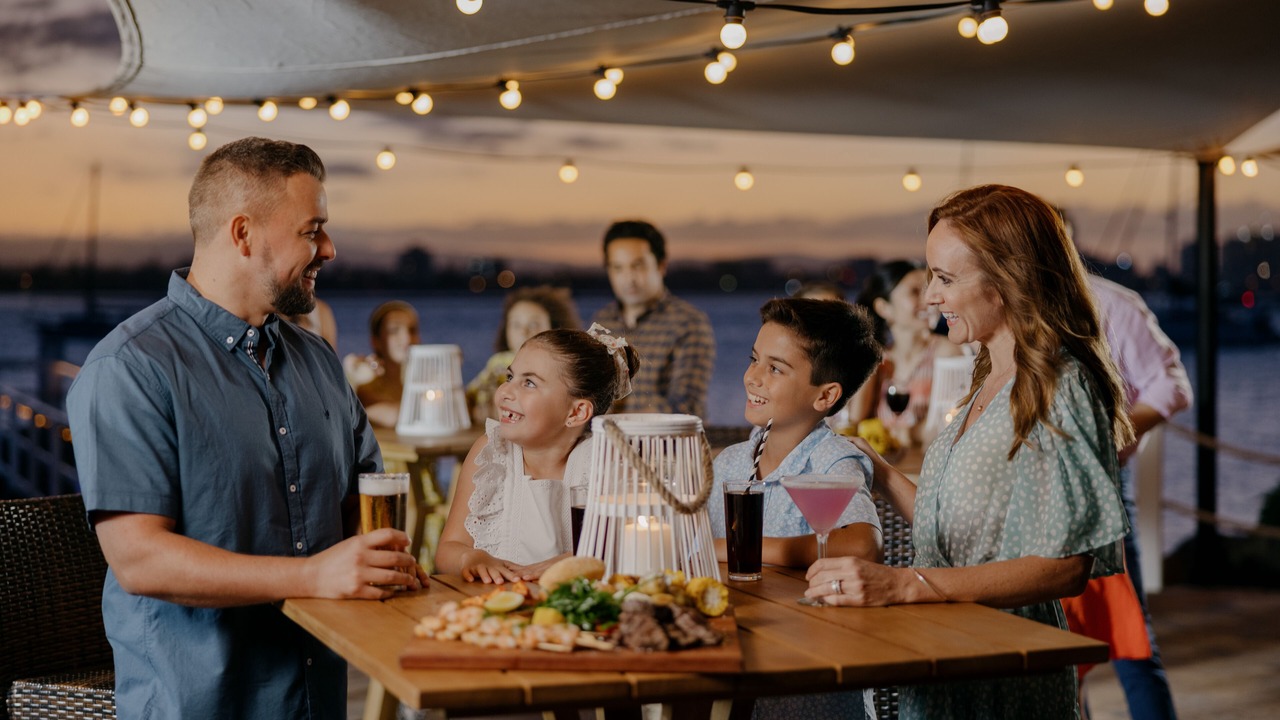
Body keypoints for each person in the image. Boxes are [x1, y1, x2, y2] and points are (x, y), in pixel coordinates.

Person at [65, 137, 426, 720]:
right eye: (313, 230)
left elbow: (365, 508)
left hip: (320, 701)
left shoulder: (318, 361)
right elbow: (140, 561)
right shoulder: (129, 369)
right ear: (243, 234)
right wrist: (312, 576)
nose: (329, 249)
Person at [806, 184, 1133, 719]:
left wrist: (905, 585)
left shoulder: (1059, 385)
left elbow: (1064, 567)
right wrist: (879, 470)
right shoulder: (987, 379)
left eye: (945, 278)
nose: (931, 297)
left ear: (1009, 280)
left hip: (1004, 666)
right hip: (943, 653)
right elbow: (952, 526)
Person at [706, 297, 882, 719]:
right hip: (736, 659)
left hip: (812, 683)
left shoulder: (833, 459)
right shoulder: (729, 461)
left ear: (826, 395)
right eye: (754, 359)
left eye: (776, 368)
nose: (753, 377)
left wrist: (745, 549)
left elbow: (861, 546)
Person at [1071, 273, 1192, 720]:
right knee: (1053, 645)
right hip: (1030, 487)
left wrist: (1112, 432)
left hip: (1101, 483)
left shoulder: (1113, 303)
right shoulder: (1014, 300)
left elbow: (1172, 384)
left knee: (1132, 640)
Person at [435, 324, 640, 583]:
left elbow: (637, 545)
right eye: (510, 378)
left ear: (576, 413)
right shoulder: (490, 453)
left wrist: (577, 559)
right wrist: (469, 559)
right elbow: (447, 549)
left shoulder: (605, 461)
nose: (505, 392)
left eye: (529, 383)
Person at [590, 220, 715, 417]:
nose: (628, 278)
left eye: (637, 266)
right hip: (605, 443)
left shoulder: (688, 323)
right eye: (617, 268)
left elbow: (686, 407)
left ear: (661, 265)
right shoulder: (602, 321)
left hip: (666, 443)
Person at [847, 259, 962, 448]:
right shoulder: (879, 360)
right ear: (884, 308)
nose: (927, 300)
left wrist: (902, 433)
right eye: (915, 292)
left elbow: (946, 426)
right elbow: (854, 422)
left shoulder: (945, 352)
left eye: (927, 290)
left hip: (921, 470)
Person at [467, 285, 581, 425]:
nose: (523, 331)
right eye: (516, 325)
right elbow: (470, 395)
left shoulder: (559, 369)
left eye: (533, 325)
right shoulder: (498, 363)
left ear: (555, 329)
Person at [343, 300, 421, 428]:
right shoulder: (366, 385)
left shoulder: (426, 382)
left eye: (412, 330)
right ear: (376, 341)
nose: (406, 338)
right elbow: (393, 416)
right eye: (394, 330)